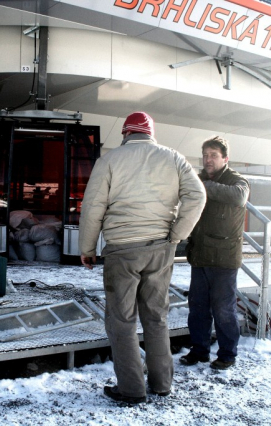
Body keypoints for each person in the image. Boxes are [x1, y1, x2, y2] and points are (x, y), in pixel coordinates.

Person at [79, 112, 206, 404]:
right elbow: (197, 196)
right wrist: (177, 235)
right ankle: (162, 384)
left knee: (122, 321)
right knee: (156, 317)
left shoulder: (110, 160)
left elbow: (93, 207)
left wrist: (87, 248)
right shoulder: (173, 157)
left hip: (122, 249)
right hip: (161, 247)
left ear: (125, 134)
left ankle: (132, 390)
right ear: (151, 134)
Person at [181, 136, 250, 370]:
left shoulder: (237, 181)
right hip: (199, 255)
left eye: (213, 155)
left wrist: (204, 186)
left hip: (224, 259)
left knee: (223, 309)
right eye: (205, 155)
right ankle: (199, 350)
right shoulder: (198, 178)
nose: (208, 159)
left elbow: (239, 196)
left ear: (225, 158)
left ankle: (227, 354)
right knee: (198, 307)